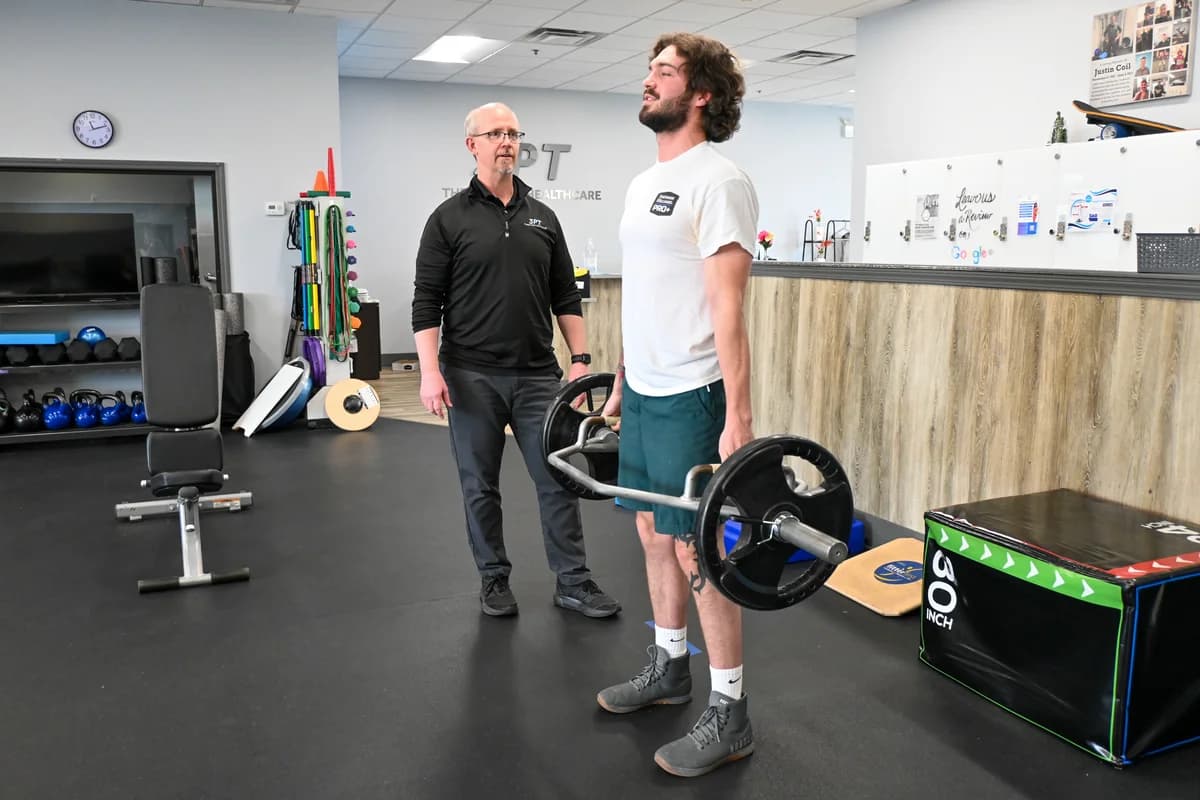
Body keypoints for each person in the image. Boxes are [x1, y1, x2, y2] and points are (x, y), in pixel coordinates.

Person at [594, 32, 760, 778]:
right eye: (649, 70)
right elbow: (646, 290)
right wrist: (625, 375)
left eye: (663, 72)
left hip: (696, 390)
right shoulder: (640, 183)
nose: (647, 81)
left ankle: (731, 712)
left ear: (700, 94)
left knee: (697, 545)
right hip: (650, 387)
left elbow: (728, 308)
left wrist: (739, 416)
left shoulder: (719, 181)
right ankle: (669, 667)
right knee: (651, 534)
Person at [411, 101, 620, 620]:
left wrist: (580, 359)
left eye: (513, 133)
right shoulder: (447, 219)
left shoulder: (543, 217)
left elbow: (565, 297)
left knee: (557, 477)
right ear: (473, 145)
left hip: (536, 376)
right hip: (469, 375)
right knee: (479, 484)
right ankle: (493, 579)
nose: (507, 142)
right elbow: (425, 301)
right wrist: (431, 371)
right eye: (495, 134)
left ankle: (573, 580)